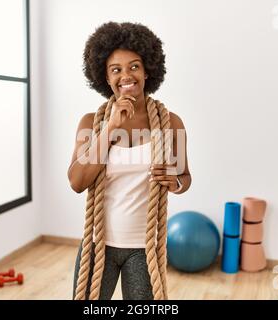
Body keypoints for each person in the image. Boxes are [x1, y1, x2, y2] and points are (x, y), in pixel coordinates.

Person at [68, 21, 191, 300]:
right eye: (116, 69)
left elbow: (185, 177)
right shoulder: (91, 123)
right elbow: (77, 182)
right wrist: (110, 128)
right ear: (105, 77)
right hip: (98, 245)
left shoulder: (172, 123)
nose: (126, 75)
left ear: (148, 70)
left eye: (134, 66)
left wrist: (176, 182)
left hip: (143, 248)